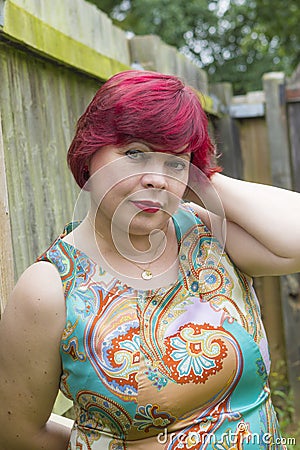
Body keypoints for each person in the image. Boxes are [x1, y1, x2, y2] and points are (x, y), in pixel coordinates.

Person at [0, 70, 299, 450]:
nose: (155, 179)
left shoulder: (206, 235)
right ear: (89, 153)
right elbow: (17, 432)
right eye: (135, 153)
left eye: (176, 162)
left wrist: (200, 176)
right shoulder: (49, 289)